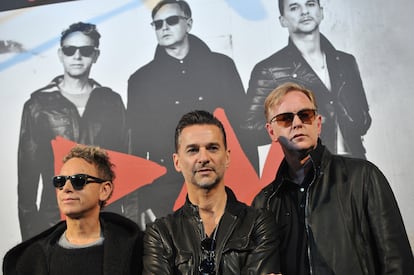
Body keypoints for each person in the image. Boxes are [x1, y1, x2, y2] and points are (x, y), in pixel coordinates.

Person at [252, 82, 414, 275]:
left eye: (306, 115)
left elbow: (397, 262)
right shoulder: (264, 202)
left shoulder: (363, 177)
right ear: (272, 131)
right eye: (286, 119)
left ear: (318, 124)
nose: (297, 123)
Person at [127, 0, 247, 228]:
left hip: (221, 182)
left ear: (188, 23)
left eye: (171, 21)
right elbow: (138, 148)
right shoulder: (140, 81)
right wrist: (143, 204)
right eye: (158, 24)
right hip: (165, 191)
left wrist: (248, 186)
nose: (164, 27)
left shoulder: (222, 66)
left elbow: (242, 132)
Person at [18, 22, 128, 240]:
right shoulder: (38, 104)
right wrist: (30, 242)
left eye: (85, 50)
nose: (77, 56)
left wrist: (129, 228)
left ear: (95, 55)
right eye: (70, 50)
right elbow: (27, 180)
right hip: (55, 221)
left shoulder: (111, 102)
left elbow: (125, 168)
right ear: (61, 54)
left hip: (104, 219)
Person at [143, 110, 281, 274]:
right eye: (193, 150)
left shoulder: (259, 224)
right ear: (177, 161)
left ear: (227, 157)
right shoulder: (161, 234)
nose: (203, 157)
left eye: (213, 148)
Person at [243, 0, 371, 172]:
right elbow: (249, 128)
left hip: (355, 163)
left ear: (321, 12)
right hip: (306, 168)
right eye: (294, 7)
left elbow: (364, 121)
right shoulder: (269, 69)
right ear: (282, 20)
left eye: (310, 4)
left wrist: (345, 113)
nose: (304, 12)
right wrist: (298, 125)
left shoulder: (346, 62)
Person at [3, 145, 143, 275]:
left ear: (104, 190)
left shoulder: (136, 252)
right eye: (60, 182)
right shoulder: (30, 259)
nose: (66, 188)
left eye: (79, 180)